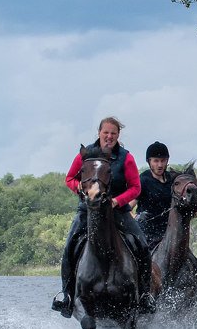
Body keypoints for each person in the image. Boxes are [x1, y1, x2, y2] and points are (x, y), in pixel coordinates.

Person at [51, 117, 157, 317]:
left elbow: (136, 188)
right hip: (88, 211)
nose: (109, 137)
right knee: (69, 246)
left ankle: (144, 296)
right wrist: (82, 191)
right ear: (99, 132)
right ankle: (66, 296)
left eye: (113, 134)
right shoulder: (85, 155)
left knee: (142, 244)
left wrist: (117, 201)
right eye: (106, 132)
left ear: (118, 136)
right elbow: (70, 179)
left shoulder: (126, 158)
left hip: (117, 211)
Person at [135, 141, 197, 329]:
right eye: (156, 161)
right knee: (137, 263)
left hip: (170, 234)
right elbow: (132, 201)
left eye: (163, 160)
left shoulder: (172, 181)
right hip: (147, 234)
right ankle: (139, 304)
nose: (160, 164)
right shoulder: (143, 180)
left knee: (195, 265)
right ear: (149, 162)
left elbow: (185, 199)